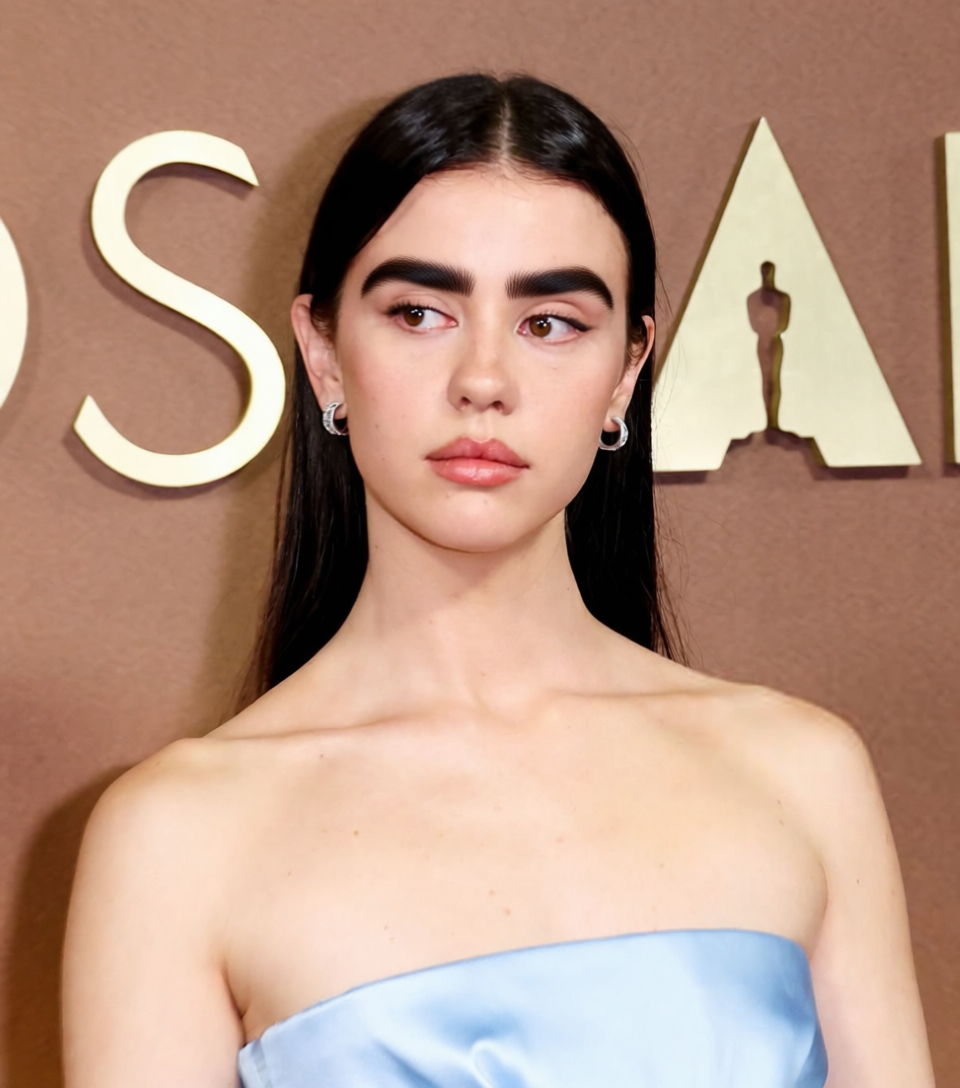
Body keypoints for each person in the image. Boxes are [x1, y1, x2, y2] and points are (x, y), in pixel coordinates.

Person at [62, 73, 935, 1088]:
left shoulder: (801, 773)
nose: (483, 380)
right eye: (420, 312)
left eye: (550, 322)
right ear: (324, 353)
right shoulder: (177, 837)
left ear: (626, 372)